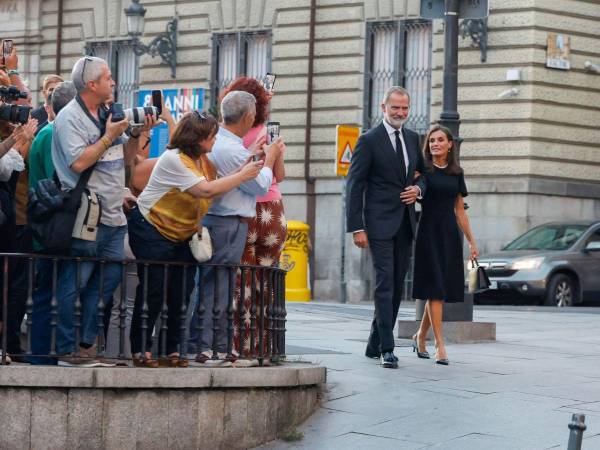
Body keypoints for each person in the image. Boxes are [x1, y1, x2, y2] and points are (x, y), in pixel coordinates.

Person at [128, 111, 264, 368]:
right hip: (152, 227)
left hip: (183, 231)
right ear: (198, 137)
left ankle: (172, 350)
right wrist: (245, 174)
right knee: (153, 290)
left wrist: (249, 157)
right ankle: (141, 349)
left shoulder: (202, 160)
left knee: (181, 292)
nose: (215, 139)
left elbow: (217, 180)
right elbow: (206, 189)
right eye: (211, 135)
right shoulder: (174, 160)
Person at [51, 55, 158, 367]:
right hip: (87, 214)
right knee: (77, 282)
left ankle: (87, 346)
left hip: (114, 214)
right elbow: (78, 162)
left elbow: (125, 158)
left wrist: (136, 135)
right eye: (108, 77)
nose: (114, 82)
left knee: (107, 283)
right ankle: (69, 348)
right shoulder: (70, 118)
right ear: (92, 84)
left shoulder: (108, 112)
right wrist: (110, 134)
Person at [193, 91, 284, 365]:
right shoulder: (230, 148)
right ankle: (212, 347)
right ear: (247, 117)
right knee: (220, 288)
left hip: (223, 220)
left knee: (218, 286)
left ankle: (215, 347)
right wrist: (269, 158)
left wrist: (253, 156)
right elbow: (258, 185)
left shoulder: (224, 143)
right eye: (253, 115)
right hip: (227, 222)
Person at [345, 86, 427, 369]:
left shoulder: (414, 138)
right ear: (384, 108)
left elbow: (425, 175)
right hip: (378, 224)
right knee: (385, 283)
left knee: (395, 288)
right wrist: (357, 227)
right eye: (395, 108)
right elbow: (354, 185)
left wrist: (418, 189)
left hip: (405, 223)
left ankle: (373, 343)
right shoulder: (368, 140)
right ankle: (387, 348)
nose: (400, 113)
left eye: (405, 108)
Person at [412, 125, 478, 365]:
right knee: (435, 290)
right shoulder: (423, 172)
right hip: (428, 233)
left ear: (450, 144)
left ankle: (420, 335)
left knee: (438, 291)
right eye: (431, 141)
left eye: (440, 140)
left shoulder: (456, 173)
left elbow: (460, 211)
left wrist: (471, 241)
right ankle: (439, 345)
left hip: (449, 235)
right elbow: (417, 193)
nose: (435, 144)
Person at [27, 81, 77, 365]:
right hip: (49, 228)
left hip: (52, 225)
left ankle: (44, 353)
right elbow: (57, 182)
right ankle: (41, 356)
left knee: (51, 292)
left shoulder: (52, 133)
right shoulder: (51, 135)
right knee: (46, 293)